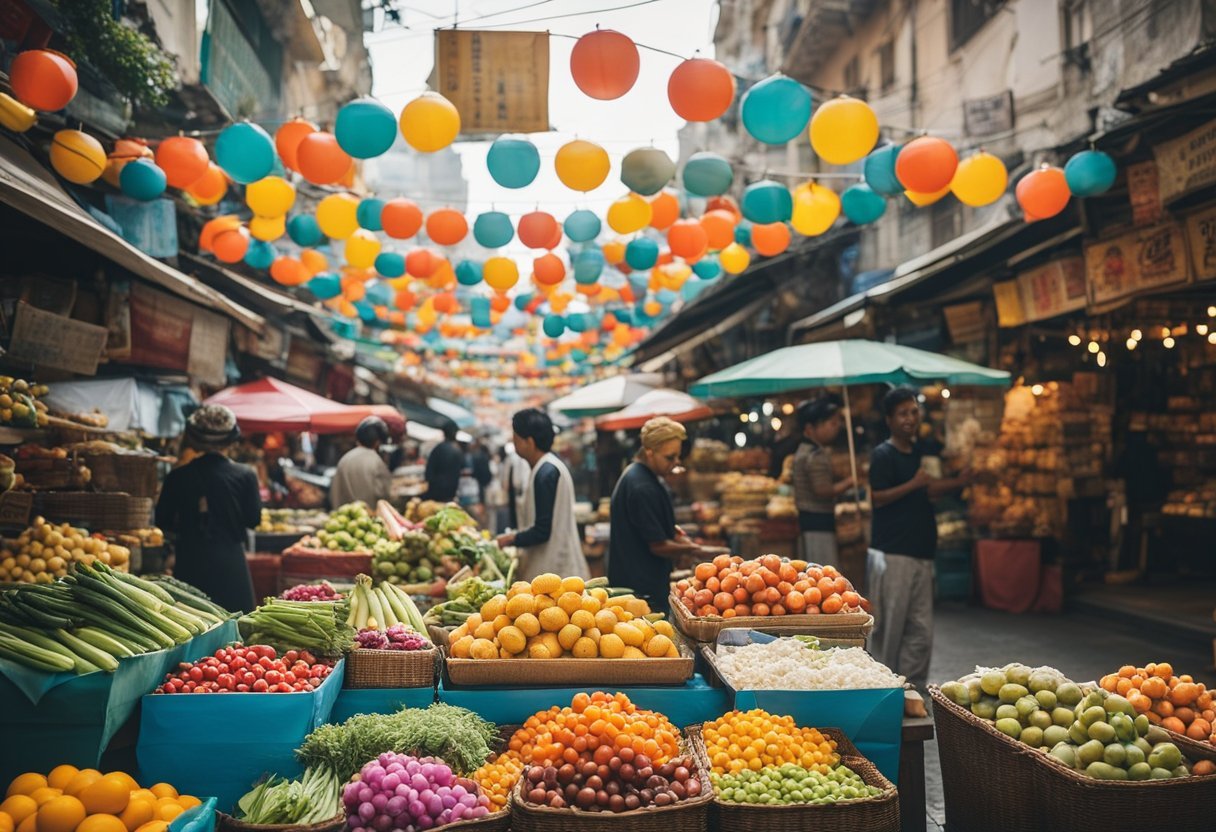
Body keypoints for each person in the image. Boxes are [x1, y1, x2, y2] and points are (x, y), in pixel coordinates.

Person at [867, 387, 971, 693]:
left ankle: (912, 688)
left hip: (922, 552)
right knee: (890, 628)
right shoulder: (883, 455)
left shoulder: (920, 453)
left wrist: (960, 481)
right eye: (903, 413)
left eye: (914, 412)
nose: (910, 418)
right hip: (893, 553)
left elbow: (929, 489)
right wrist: (913, 484)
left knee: (920, 630)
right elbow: (877, 497)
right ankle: (883, 688)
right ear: (889, 419)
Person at [607, 417, 728, 616]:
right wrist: (695, 549)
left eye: (677, 456)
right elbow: (658, 545)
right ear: (649, 453)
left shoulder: (640, 476)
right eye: (670, 457)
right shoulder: (642, 486)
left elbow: (656, 527)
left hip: (638, 586)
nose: (676, 462)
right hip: (640, 593)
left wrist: (675, 533)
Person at [156, 404, 260, 613]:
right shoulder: (246, 475)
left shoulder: (177, 477)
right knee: (237, 625)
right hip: (231, 564)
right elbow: (253, 520)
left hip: (189, 564)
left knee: (191, 623)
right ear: (232, 439)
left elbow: (162, 522)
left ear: (193, 439)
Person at [495, 409, 588, 580]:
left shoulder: (545, 473)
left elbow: (542, 531)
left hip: (555, 570)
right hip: (552, 569)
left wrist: (510, 539)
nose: (513, 442)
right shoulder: (545, 468)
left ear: (529, 442)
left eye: (516, 438)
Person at [791, 395, 855, 562]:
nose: (837, 427)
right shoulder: (814, 455)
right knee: (821, 569)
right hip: (817, 522)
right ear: (810, 428)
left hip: (809, 521)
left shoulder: (805, 450)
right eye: (832, 423)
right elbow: (823, 490)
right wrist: (850, 482)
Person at [330, 416, 392, 508]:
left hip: (343, 514)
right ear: (377, 442)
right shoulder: (376, 462)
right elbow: (383, 494)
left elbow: (334, 492)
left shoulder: (345, 458)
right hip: (368, 515)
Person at [424, 423, 464, 502]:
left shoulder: (438, 449)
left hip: (436, 492)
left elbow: (428, 472)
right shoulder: (457, 450)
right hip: (451, 492)